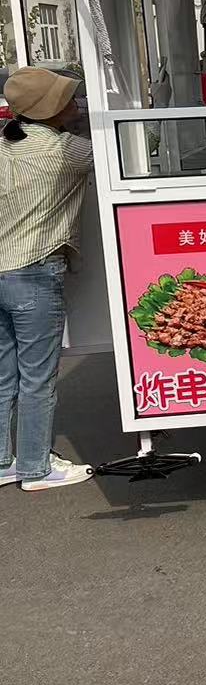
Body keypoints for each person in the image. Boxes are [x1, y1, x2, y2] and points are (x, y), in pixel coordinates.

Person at [0, 68, 95, 490]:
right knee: (38, 377)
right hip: (35, 272)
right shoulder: (66, 151)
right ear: (52, 110)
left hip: (1, 270)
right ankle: (36, 468)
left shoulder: (5, 143)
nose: (76, 104)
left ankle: (4, 461)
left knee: (4, 375)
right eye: (69, 99)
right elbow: (124, 159)